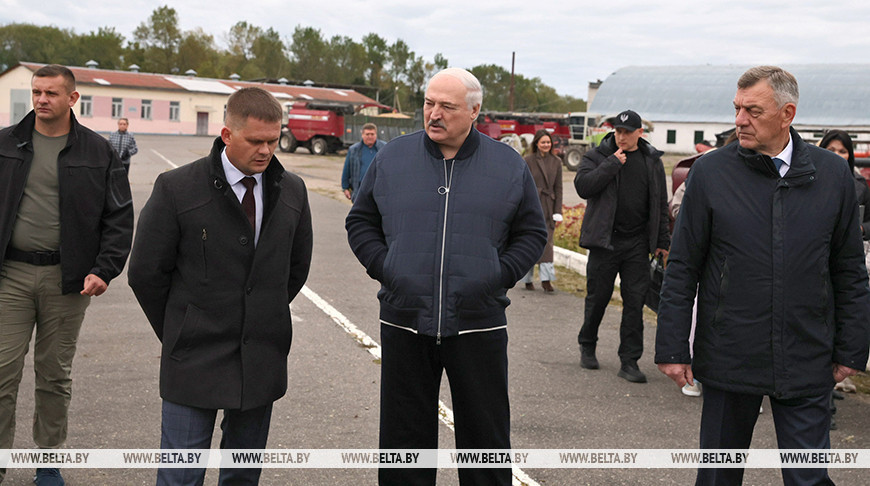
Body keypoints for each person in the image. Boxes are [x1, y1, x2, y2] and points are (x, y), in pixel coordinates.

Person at [656, 66, 870, 485]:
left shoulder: (831, 176)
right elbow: (683, 267)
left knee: (808, 479)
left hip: (808, 355)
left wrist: (851, 349)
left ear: (787, 113)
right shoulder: (711, 174)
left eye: (752, 111)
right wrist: (672, 346)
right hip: (729, 354)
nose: (739, 120)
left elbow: (849, 271)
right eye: (737, 109)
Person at [346, 68, 547, 486]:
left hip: (478, 322)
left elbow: (532, 233)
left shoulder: (507, 165)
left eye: (447, 106)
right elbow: (361, 222)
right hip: (405, 319)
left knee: (486, 441)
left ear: (474, 111)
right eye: (428, 103)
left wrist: (498, 275)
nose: (433, 114)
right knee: (404, 442)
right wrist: (389, 269)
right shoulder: (392, 158)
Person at [128, 87, 313, 486]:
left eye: (273, 140)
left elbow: (295, 269)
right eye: (255, 141)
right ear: (227, 135)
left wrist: (262, 315)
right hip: (194, 359)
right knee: (180, 475)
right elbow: (145, 272)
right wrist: (183, 327)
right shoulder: (177, 188)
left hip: (261, 359)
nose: (266, 151)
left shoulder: (292, 190)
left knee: (243, 476)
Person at [0, 64, 133, 485]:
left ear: (72, 98)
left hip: (68, 280)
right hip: (10, 276)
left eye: (52, 93)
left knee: (54, 373)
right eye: (37, 91)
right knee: (2, 371)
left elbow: (119, 217)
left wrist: (104, 269)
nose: (42, 100)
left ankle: (49, 459)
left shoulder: (97, 152)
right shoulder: (6, 145)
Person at [574, 109, 670, 383]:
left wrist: (662, 241)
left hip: (637, 244)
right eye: (618, 131)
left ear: (641, 133)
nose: (621, 137)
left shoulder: (651, 160)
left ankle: (629, 361)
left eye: (628, 132)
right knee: (598, 299)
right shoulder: (597, 156)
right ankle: (587, 344)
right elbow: (583, 186)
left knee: (634, 303)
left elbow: (660, 204)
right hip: (605, 242)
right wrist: (613, 163)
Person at [521, 129, 563, 292]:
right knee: (530, 241)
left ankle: (546, 279)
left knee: (547, 244)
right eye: (543, 142)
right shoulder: (528, 160)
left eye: (548, 142)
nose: (546, 145)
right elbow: (522, 184)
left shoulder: (557, 161)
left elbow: (558, 188)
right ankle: (527, 279)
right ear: (537, 143)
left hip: (548, 207)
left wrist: (557, 210)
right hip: (532, 205)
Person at [341, 122, 385, 201]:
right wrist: (345, 188)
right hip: (360, 190)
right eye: (367, 134)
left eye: (372, 134)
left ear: (376, 135)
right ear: (362, 135)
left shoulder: (384, 148)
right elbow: (347, 169)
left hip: (379, 189)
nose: (370, 137)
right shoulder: (354, 150)